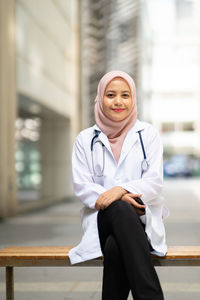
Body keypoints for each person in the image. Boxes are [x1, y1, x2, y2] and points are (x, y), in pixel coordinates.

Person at [69, 70, 168, 300]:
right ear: (100, 98)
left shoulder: (148, 135)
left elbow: (155, 181)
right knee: (120, 208)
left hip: (141, 219)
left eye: (125, 95)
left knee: (115, 249)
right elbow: (82, 185)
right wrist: (118, 197)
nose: (118, 101)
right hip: (101, 218)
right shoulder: (85, 139)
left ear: (133, 99)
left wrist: (120, 190)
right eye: (110, 94)